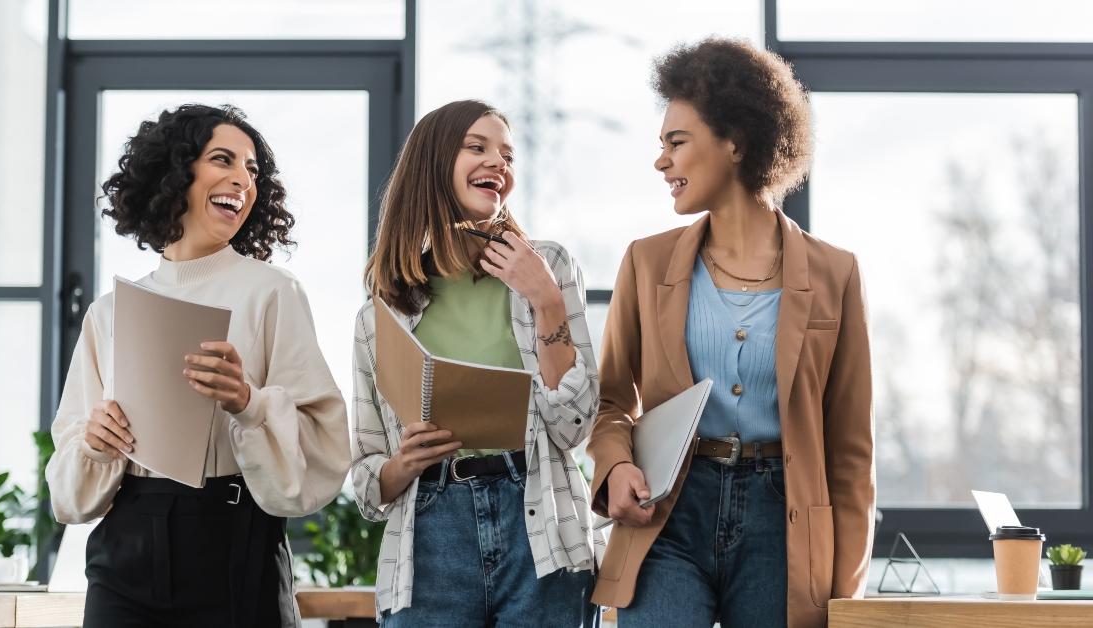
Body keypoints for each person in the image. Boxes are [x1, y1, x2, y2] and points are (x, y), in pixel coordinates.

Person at [588, 39, 875, 628]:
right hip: (669, 511)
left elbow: (849, 449)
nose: (661, 162)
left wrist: (844, 593)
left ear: (736, 143)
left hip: (784, 522)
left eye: (676, 143)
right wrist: (615, 466)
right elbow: (612, 401)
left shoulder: (835, 273)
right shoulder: (645, 263)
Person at [46, 104, 350, 627]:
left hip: (233, 540)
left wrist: (249, 404)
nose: (242, 180)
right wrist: (95, 442)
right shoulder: (110, 311)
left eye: (252, 170)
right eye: (223, 160)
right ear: (176, 172)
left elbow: (324, 448)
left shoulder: (271, 292)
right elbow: (68, 500)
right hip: (127, 546)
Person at [349, 100, 602, 627]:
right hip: (429, 534)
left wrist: (547, 301)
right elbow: (369, 485)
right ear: (434, 164)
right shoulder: (382, 313)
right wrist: (405, 462)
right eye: (478, 147)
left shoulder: (548, 266)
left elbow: (573, 426)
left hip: (539, 525)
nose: (499, 164)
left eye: (507, 154)